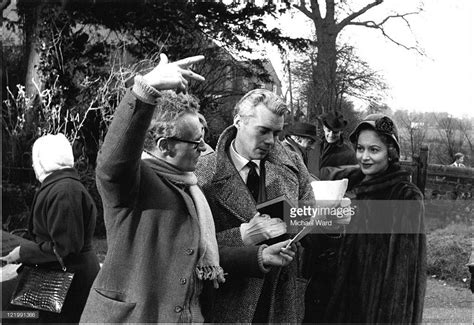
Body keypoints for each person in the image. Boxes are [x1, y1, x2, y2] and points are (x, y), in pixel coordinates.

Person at [79, 54, 229, 323]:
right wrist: (145, 88)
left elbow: (193, 257)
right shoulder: (132, 181)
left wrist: (257, 256)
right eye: (196, 143)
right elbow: (111, 163)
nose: (205, 149)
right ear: (164, 145)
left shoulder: (190, 187)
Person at [195, 88, 316, 323]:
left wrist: (325, 221)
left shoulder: (292, 164)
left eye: (277, 133)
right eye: (263, 131)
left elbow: (309, 217)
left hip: (279, 303)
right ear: (239, 122)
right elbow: (187, 244)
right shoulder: (202, 173)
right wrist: (244, 237)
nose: (271, 141)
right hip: (227, 302)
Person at [323, 114, 427, 323]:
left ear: (390, 153)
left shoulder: (404, 196)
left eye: (374, 150)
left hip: (375, 313)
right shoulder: (347, 186)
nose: (364, 157)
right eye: (361, 149)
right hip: (339, 307)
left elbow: (403, 281)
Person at [1, 133, 100, 324]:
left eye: (34, 159)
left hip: (64, 280)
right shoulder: (62, 186)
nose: (32, 166)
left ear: (43, 161)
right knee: (13, 316)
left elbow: (64, 248)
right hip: (60, 275)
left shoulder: (64, 191)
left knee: (17, 318)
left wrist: (22, 252)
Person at [316, 111, 358, 180]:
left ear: (341, 131)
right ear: (324, 128)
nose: (331, 135)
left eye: (335, 132)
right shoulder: (313, 147)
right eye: (328, 130)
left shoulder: (349, 154)